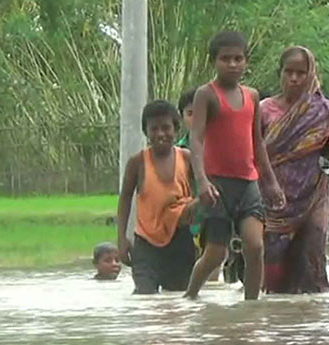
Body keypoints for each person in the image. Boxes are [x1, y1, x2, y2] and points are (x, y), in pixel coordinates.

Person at [183, 31, 285, 300]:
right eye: (225, 59)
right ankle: (190, 297)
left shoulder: (252, 96)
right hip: (218, 185)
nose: (232, 64)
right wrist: (202, 180)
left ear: (246, 61)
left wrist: (270, 181)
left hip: (248, 182)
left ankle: (251, 306)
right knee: (215, 253)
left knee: (255, 246)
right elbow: (196, 138)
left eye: (238, 58)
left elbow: (257, 142)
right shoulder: (207, 94)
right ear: (214, 62)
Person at [260, 46, 329, 293]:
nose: (294, 78)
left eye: (301, 73)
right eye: (289, 72)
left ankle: (312, 323)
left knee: (312, 263)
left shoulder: (325, 111)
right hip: (274, 197)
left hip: (313, 195)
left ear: (311, 75)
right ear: (280, 74)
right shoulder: (264, 110)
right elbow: (254, 153)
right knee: (273, 271)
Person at [116, 100, 199, 294]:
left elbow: (206, 188)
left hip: (180, 240)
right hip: (146, 243)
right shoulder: (137, 163)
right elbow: (125, 199)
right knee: (145, 299)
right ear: (146, 132)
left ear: (176, 129)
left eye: (166, 128)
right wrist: (122, 238)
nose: (160, 134)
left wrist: (197, 210)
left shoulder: (187, 158)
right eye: (154, 129)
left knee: (179, 301)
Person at [177, 87, 224, 282]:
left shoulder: (222, 146)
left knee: (213, 267)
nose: (195, 118)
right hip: (188, 218)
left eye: (200, 113)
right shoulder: (178, 152)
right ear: (181, 117)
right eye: (190, 114)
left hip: (217, 215)